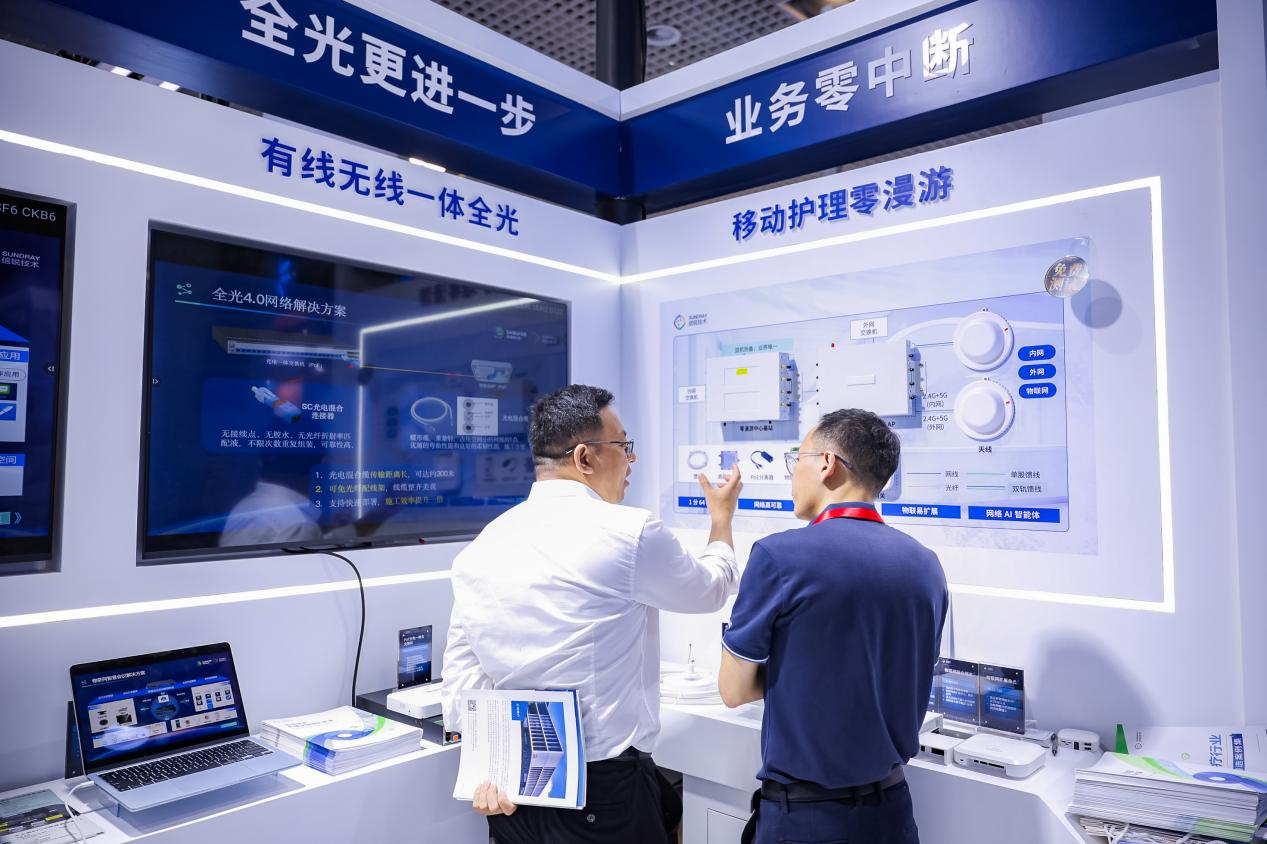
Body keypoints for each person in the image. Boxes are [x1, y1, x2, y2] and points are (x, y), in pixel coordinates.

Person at [441, 384, 743, 844]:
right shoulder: (629, 532)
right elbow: (710, 590)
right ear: (585, 457)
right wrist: (721, 520)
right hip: (601, 793)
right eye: (623, 445)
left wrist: (490, 770)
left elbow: (463, 679)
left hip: (514, 791)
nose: (631, 459)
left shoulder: (483, 545)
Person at [718, 408, 948, 844]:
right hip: (893, 814)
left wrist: (792, 673)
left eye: (796, 460)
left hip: (806, 819)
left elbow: (733, 689)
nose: (792, 476)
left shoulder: (778, 556)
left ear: (827, 464)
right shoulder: (926, 565)